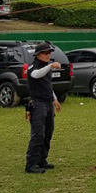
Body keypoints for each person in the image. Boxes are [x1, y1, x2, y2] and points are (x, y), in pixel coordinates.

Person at [25, 43, 62, 174]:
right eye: (45, 53)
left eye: (49, 53)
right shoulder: (33, 67)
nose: (48, 55)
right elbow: (36, 75)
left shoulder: (46, 68)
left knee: (48, 132)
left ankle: (42, 160)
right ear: (38, 55)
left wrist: (54, 98)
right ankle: (31, 164)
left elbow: (47, 85)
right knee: (38, 135)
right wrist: (51, 66)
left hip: (47, 103)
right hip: (38, 104)